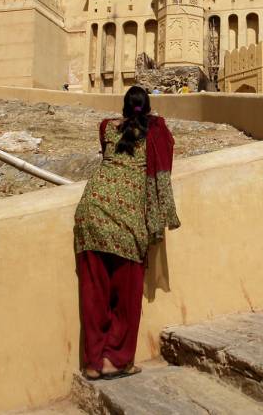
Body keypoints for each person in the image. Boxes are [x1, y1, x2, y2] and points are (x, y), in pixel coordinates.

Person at [74, 86, 180, 380]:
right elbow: (166, 154)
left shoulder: (106, 127)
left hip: (91, 213)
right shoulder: (155, 132)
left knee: (93, 293)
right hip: (127, 222)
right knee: (127, 297)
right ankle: (118, 360)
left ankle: (93, 363)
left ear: (123, 106)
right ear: (147, 108)